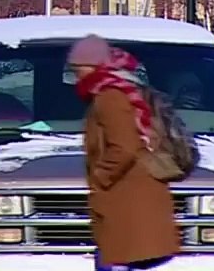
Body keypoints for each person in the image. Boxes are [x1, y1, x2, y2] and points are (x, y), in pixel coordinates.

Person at [67, 35, 179, 271]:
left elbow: (125, 146)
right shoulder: (120, 89)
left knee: (115, 262)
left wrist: (101, 176)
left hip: (125, 200)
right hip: (131, 199)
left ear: (94, 66)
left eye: (78, 68)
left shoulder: (109, 96)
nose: (76, 74)